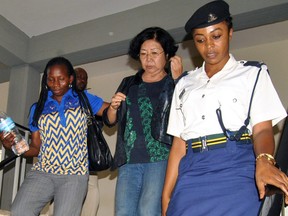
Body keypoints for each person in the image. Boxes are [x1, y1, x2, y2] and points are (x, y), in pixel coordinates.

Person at [162, 1, 288, 216]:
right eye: (200, 40)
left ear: (230, 33)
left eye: (216, 36)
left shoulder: (253, 73)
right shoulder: (185, 83)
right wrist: (166, 196)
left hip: (237, 167)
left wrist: (265, 161)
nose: (209, 46)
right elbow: (179, 144)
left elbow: (263, 129)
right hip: (192, 171)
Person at [0, 57, 107, 216]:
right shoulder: (38, 108)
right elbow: (36, 148)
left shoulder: (83, 99)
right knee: (19, 211)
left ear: (71, 78)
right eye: (51, 79)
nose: (55, 84)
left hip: (74, 174)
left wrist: (120, 104)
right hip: (43, 172)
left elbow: (110, 113)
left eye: (61, 79)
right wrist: (13, 146)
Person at [102, 27, 183, 216]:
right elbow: (110, 121)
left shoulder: (175, 83)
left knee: (149, 211)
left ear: (168, 54)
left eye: (155, 53)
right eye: (144, 54)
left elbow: (186, 113)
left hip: (160, 157)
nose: (148, 59)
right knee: (123, 211)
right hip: (129, 158)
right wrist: (113, 108)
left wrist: (178, 80)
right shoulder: (129, 82)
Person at [75, 67, 109, 216]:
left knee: (91, 192)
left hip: (88, 157)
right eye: (79, 76)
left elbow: (108, 110)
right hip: (63, 160)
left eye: (85, 78)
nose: (82, 80)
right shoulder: (57, 98)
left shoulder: (88, 98)